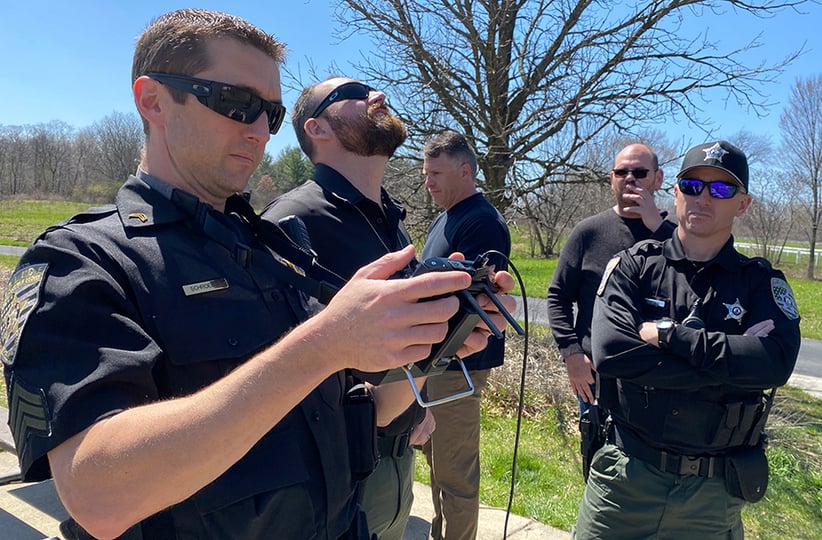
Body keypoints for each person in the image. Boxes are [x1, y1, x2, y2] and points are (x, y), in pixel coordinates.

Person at [0, 10, 514, 540]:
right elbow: (98, 496)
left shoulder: (278, 250)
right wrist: (323, 344)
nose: (261, 130)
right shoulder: (81, 261)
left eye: (271, 112)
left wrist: (434, 341)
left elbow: (373, 414)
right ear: (153, 100)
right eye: (237, 104)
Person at [573, 140, 801, 539]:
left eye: (722, 189)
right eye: (693, 185)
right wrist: (729, 366)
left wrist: (670, 336)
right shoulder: (633, 266)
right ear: (676, 192)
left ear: (742, 204)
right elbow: (610, 354)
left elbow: (776, 363)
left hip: (711, 496)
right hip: (626, 480)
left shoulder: (761, 282)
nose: (704, 197)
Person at [261, 76, 433, 540]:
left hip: (399, 458)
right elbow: (276, 373)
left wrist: (419, 402)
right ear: (316, 128)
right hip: (336, 474)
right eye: (355, 94)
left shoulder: (391, 220)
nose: (378, 96)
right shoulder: (288, 222)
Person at [420, 130, 511, 540]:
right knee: (436, 461)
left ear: (465, 171)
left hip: (460, 363)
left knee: (455, 472)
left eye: (436, 172)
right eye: (425, 174)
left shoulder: (482, 222)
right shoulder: (445, 217)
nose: (428, 182)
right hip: (433, 359)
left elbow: (473, 303)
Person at [547, 143, 674, 414]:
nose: (630, 179)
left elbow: (696, 281)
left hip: (660, 378)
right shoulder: (588, 232)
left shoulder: (676, 239)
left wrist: (658, 229)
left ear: (658, 178)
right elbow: (558, 296)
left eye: (640, 172)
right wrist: (571, 354)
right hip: (597, 375)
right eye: (621, 172)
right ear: (611, 179)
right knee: (597, 454)